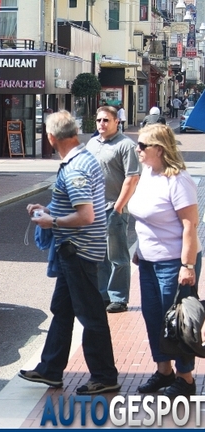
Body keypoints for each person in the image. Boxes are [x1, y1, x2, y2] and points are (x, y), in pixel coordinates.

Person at [18, 110, 120, 395]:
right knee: (62, 310)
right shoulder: (83, 157)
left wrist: (52, 221)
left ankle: (104, 375)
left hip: (79, 250)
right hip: (75, 249)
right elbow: (82, 206)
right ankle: (51, 369)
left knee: (91, 314)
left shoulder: (74, 167)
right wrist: (49, 209)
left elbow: (85, 215)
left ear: (51, 137)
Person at [129, 123, 202, 397]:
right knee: (153, 318)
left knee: (177, 323)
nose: (138, 149)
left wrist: (188, 265)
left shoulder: (178, 180)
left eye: (142, 146)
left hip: (174, 263)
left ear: (158, 150)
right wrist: (139, 247)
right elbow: (145, 218)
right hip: (148, 261)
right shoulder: (148, 173)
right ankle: (164, 371)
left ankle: (185, 379)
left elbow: (189, 226)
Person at [85, 106, 141, 313]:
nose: (101, 124)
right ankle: (103, 294)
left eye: (106, 120)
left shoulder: (126, 145)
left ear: (117, 122)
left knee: (116, 256)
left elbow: (132, 178)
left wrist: (118, 208)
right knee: (98, 256)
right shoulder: (92, 143)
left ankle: (119, 297)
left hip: (113, 209)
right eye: (99, 120)